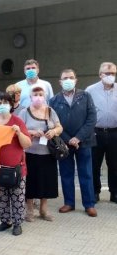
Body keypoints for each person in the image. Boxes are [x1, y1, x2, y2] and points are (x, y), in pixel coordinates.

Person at [50, 69, 97, 217]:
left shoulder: (86, 96)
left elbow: (92, 118)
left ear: (76, 80)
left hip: (84, 141)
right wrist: (67, 138)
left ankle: (89, 204)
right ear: (60, 81)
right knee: (66, 174)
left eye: (71, 77)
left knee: (86, 174)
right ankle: (69, 202)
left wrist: (78, 137)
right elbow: (52, 122)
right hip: (63, 143)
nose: (68, 80)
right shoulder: (54, 100)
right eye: (65, 78)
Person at [18, 84, 63, 222]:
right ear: (30, 97)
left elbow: (59, 126)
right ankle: (29, 210)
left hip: (48, 153)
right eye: (35, 95)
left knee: (47, 181)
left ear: (45, 97)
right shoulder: (24, 112)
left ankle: (44, 209)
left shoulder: (50, 111)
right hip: (30, 152)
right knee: (30, 182)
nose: (38, 97)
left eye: (41, 95)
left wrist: (54, 131)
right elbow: (19, 130)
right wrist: (31, 132)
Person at [0, 93, 31, 236]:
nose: (2, 105)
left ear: (11, 105)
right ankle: (5, 221)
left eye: (5, 102)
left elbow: (27, 144)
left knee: (17, 197)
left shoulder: (17, 121)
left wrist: (19, 133)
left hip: (16, 168)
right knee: (0, 197)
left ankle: (18, 223)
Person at [86, 62, 117, 203]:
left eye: (113, 73)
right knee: (94, 164)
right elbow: (85, 112)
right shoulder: (90, 90)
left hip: (114, 133)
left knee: (115, 165)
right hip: (95, 132)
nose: (110, 76)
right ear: (100, 75)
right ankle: (95, 192)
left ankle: (115, 192)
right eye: (107, 73)